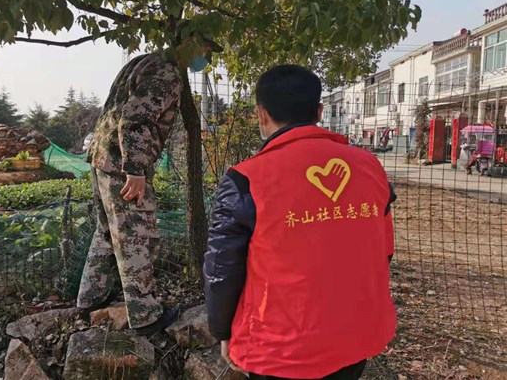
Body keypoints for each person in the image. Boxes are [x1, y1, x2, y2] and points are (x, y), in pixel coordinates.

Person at [204, 65, 397, 379]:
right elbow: (384, 250)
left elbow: (221, 269)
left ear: (261, 115)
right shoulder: (370, 167)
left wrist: (222, 330)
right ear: (319, 112)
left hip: (278, 350)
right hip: (356, 337)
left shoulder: (246, 180)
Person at [77, 28, 223, 336]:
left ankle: (91, 297)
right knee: (135, 235)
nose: (207, 57)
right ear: (191, 43)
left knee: (107, 231)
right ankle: (145, 316)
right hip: (123, 164)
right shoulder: (167, 73)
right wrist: (135, 169)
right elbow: (135, 119)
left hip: (101, 156)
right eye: (207, 49)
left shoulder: (142, 62)